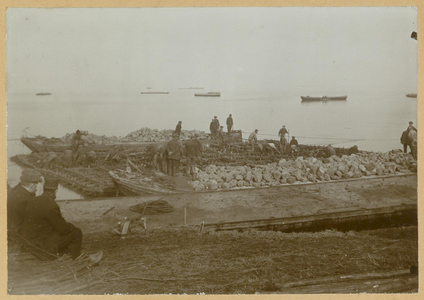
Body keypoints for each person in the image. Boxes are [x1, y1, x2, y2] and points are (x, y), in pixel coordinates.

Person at [21, 177, 83, 261]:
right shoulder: (51, 205)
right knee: (76, 232)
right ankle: (75, 257)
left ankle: (63, 252)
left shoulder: (33, 200)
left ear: (43, 189)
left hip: (30, 240)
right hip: (42, 243)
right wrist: (71, 226)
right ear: (55, 190)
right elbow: (63, 229)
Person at [8, 169, 43, 234]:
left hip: (15, 227)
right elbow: (32, 218)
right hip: (18, 232)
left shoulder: (19, 190)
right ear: (32, 185)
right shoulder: (24, 199)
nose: (37, 188)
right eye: (36, 185)